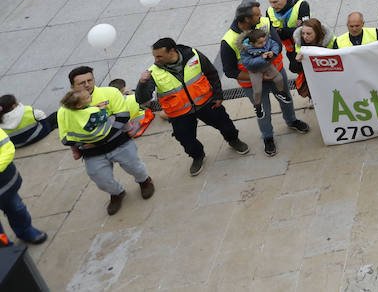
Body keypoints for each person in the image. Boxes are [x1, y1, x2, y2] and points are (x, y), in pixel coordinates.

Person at [134, 38, 250, 175]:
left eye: (159, 56)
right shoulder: (153, 72)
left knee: (226, 125)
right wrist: (142, 83)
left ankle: (233, 140)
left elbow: (211, 73)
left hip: (206, 103)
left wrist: (218, 95)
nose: (156, 59)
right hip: (180, 114)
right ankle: (198, 156)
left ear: (172, 51)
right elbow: (142, 99)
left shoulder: (193, 55)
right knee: (186, 139)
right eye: (154, 56)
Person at [58, 66, 155, 215]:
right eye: (81, 83)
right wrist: (84, 142)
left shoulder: (110, 92)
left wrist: (99, 136)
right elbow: (66, 137)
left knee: (135, 167)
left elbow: (122, 116)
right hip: (92, 153)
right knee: (101, 179)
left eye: (89, 80)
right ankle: (117, 193)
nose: (87, 85)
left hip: (119, 144)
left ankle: (144, 181)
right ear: (72, 86)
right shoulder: (64, 110)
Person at [219, 3, 309, 155]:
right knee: (263, 111)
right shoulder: (228, 41)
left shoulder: (264, 23)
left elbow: (278, 45)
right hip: (252, 84)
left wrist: (271, 57)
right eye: (256, 15)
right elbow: (229, 71)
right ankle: (268, 137)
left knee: (286, 100)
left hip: (276, 75)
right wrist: (259, 76)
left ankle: (291, 120)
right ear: (246, 19)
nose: (260, 16)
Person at [0, 123, 46, 244]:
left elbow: (6, 148)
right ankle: (4, 245)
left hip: (4, 185)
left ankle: (25, 231)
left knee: (17, 208)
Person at [237, 27, 289, 118]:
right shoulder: (245, 50)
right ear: (252, 43)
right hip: (255, 70)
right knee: (257, 90)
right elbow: (248, 64)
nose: (264, 44)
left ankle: (281, 93)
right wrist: (262, 58)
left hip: (267, 65)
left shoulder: (266, 40)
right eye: (260, 43)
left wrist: (273, 52)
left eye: (264, 41)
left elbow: (275, 45)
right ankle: (257, 105)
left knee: (279, 78)